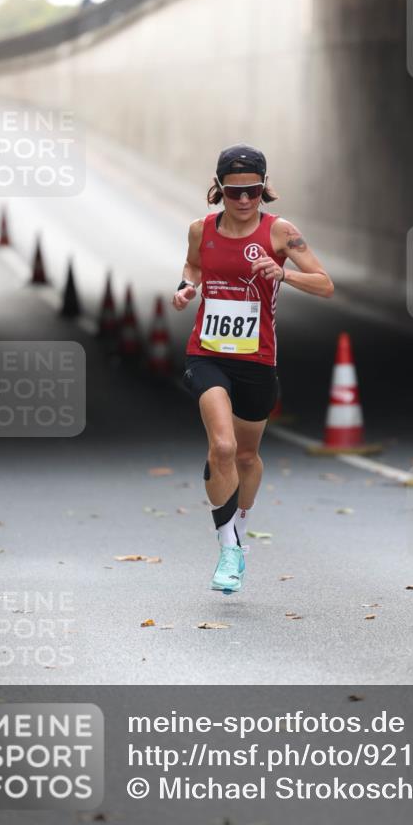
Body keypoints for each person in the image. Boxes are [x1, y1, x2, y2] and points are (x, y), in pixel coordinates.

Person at [172, 144, 334, 594]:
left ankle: (239, 529)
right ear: (219, 189)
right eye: (235, 193)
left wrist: (284, 275)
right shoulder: (199, 229)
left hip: (258, 361)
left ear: (265, 189)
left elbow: (325, 284)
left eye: (254, 192)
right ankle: (227, 548)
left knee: (246, 456)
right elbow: (193, 265)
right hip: (206, 354)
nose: (244, 202)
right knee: (221, 447)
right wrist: (186, 288)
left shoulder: (281, 233)